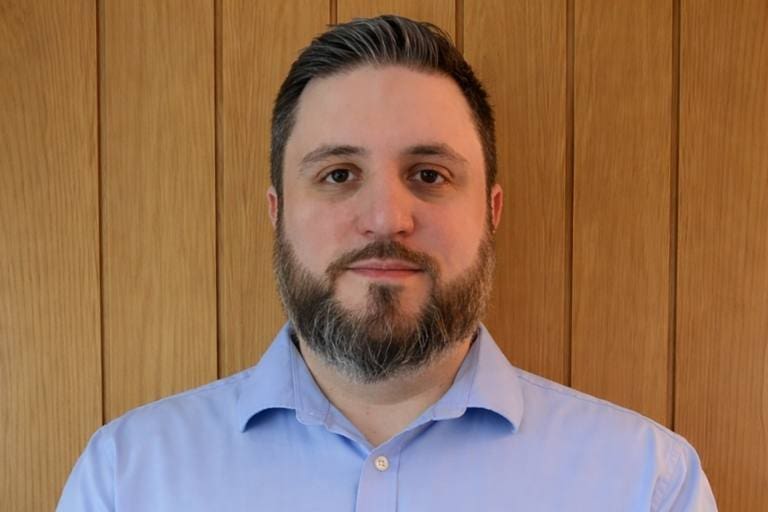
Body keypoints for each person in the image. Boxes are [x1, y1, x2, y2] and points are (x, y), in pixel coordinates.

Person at [58, 15, 717, 511]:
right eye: (339, 173)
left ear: (492, 209)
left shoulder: (645, 483)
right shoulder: (126, 479)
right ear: (277, 210)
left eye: (429, 174)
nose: (386, 218)